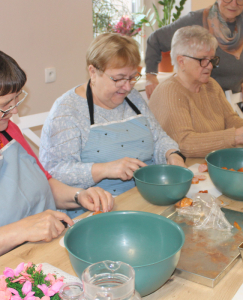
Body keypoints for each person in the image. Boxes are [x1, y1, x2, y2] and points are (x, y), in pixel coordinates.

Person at [39, 33, 185, 218]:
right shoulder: (67, 111)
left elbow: (158, 137)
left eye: (132, 77)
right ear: (93, 72)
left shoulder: (132, 99)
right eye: (118, 78)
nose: (127, 87)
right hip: (96, 210)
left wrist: (172, 154)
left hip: (145, 198)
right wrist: (105, 169)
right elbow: (56, 172)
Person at [0, 51, 114, 255]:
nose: (14, 111)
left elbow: (45, 184)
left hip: (44, 249)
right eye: (4, 106)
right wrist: (20, 230)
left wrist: (79, 195)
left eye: (16, 100)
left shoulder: (8, 130)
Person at [148, 26, 243, 158]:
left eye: (211, 59)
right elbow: (184, 144)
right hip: (187, 169)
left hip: (213, 162)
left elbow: (230, 120)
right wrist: (235, 136)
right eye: (203, 60)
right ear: (181, 61)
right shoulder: (169, 92)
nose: (210, 66)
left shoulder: (210, 85)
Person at [145, 0, 243, 102]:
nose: (234, 4)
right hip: (201, 103)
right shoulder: (195, 19)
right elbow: (155, 39)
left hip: (235, 103)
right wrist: (151, 76)